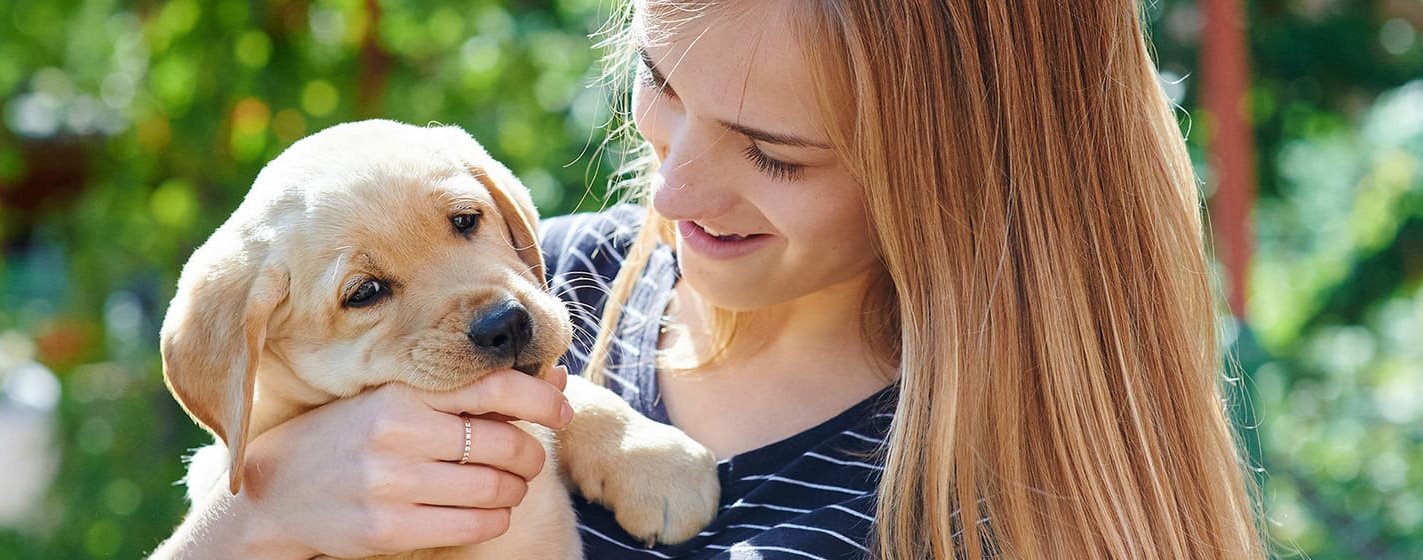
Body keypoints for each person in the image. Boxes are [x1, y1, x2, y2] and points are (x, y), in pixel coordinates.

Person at [152, 1, 1267, 559]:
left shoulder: (993, 500)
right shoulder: (568, 281)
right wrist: (252, 517)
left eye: (774, 151)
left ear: (965, 173)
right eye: (659, 82)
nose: (671, 192)